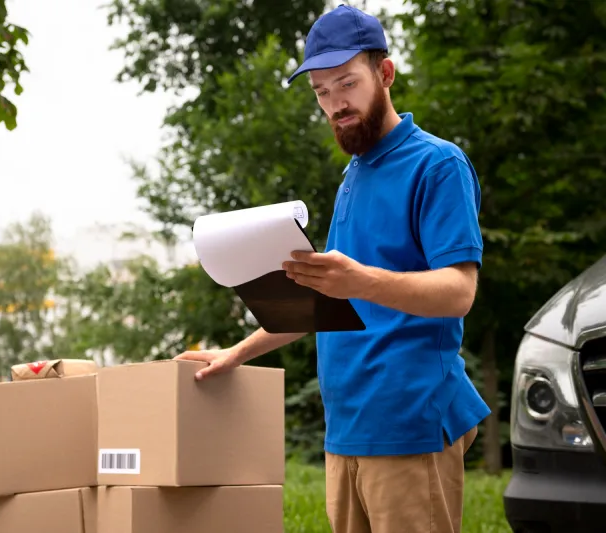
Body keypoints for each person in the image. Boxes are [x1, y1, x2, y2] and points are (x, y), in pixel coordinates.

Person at [174, 4, 491, 533]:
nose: (334, 104)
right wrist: (238, 353)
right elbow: (327, 301)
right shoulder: (355, 173)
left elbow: (459, 291)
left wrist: (359, 279)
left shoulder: (437, 165)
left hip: (409, 422)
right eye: (321, 92)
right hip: (346, 428)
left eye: (347, 83)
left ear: (384, 74)